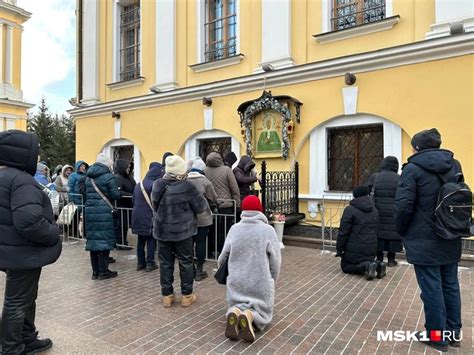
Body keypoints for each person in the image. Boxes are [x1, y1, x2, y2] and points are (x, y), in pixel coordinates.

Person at [395, 128, 463, 352]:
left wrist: (401, 231)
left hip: (423, 238)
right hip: (451, 233)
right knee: (450, 285)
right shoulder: (454, 165)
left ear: (417, 148)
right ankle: (453, 333)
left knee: (432, 288)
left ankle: (436, 336)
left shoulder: (412, 169)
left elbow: (404, 206)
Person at [0, 130, 62, 354]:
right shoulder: (21, 180)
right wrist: (53, 232)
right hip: (22, 252)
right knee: (17, 302)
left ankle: (27, 337)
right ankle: (11, 348)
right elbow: (29, 222)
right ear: (21, 153)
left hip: (11, 251)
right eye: (34, 152)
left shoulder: (5, 176)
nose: (37, 158)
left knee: (25, 298)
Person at [218, 195, 281, 342]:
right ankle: (251, 316)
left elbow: (223, 256)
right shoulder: (268, 230)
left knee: (236, 302)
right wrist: (272, 279)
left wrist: (224, 271)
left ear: (243, 211)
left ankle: (234, 311)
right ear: (260, 211)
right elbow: (275, 260)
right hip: (260, 279)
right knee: (261, 308)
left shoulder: (235, 228)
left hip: (237, 278)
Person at [151, 155, 207, 308]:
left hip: (162, 230)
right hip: (183, 231)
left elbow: (154, 205)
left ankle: (167, 296)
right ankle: (186, 295)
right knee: (186, 262)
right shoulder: (188, 186)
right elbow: (201, 207)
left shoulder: (158, 184)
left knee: (165, 263)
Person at [336, 185, 386, 280]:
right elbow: (377, 230)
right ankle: (378, 264)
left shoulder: (350, 210)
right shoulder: (374, 210)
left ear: (355, 195)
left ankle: (366, 266)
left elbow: (343, 232)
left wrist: (339, 249)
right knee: (367, 260)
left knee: (345, 267)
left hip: (354, 249)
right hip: (371, 248)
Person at [84, 153, 121, 280]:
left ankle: (95, 272)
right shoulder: (108, 176)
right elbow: (115, 194)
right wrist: (119, 191)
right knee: (104, 242)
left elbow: (84, 192)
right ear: (107, 164)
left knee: (93, 243)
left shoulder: (88, 176)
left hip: (90, 211)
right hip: (104, 212)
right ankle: (104, 271)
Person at [365, 156, 402, 266]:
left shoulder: (375, 177)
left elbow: (366, 189)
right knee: (393, 234)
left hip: (378, 211)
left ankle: (379, 258)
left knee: (379, 234)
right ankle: (391, 260)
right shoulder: (400, 178)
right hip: (394, 212)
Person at [187, 157, 218, 281]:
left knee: (189, 244)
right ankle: (199, 270)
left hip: (187, 217)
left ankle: (191, 269)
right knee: (201, 243)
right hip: (202, 217)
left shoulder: (185, 179)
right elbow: (213, 197)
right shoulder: (205, 181)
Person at [204, 152, 241, 255]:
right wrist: (237, 205)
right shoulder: (226, 170)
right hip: (226, 205)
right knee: (225, 230)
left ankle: (210, 251)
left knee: (212, 229)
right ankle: (223, 251)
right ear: (220, 159)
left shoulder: (205, 171)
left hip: (211, 205)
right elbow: (234, 188)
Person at [131, 162, 163, 272]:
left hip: (137, 215)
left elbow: (133, 200)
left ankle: (140, 263)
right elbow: (157, 201)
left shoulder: (138, 184)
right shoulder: (155, 185)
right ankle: (150, 263)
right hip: (149, 216)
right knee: (151, 240)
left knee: (140, 240)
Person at [114, 159, 136, 249]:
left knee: (125, 225)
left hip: (128, 205)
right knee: (121, 225)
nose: (129, 168)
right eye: (127, 167)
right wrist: (131, 195)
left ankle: (123, 241)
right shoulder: (118, 178)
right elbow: (119, 192)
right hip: (121, 205)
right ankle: (120, 243)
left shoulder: (129, 177)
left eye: (130, 167)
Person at [68, 160, 89, 237]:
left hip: (84, 200)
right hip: (76, 199)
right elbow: (70, 187)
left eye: (84, 166)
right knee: (75, 217)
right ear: (78, 166)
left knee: (85, 218)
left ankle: (85, 233)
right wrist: (71, 199)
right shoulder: (73, 175)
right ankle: (74, 233)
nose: (83, 167)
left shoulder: (87, 175)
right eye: (81, 166)